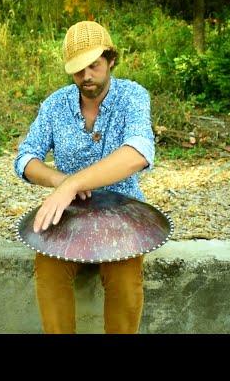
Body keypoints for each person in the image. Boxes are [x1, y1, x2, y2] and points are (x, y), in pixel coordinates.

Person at [14, 21, 155, 334]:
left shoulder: (133, 96)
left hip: (122, 213)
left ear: (111, 60)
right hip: (72, 215)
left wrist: (75, 183)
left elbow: (139, 151)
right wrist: (59, 182)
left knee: (125, 282)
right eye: (78, 70)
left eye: (94, 66)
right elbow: (25, 159)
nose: (87, 76)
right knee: (48, 269)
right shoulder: (54, 104)